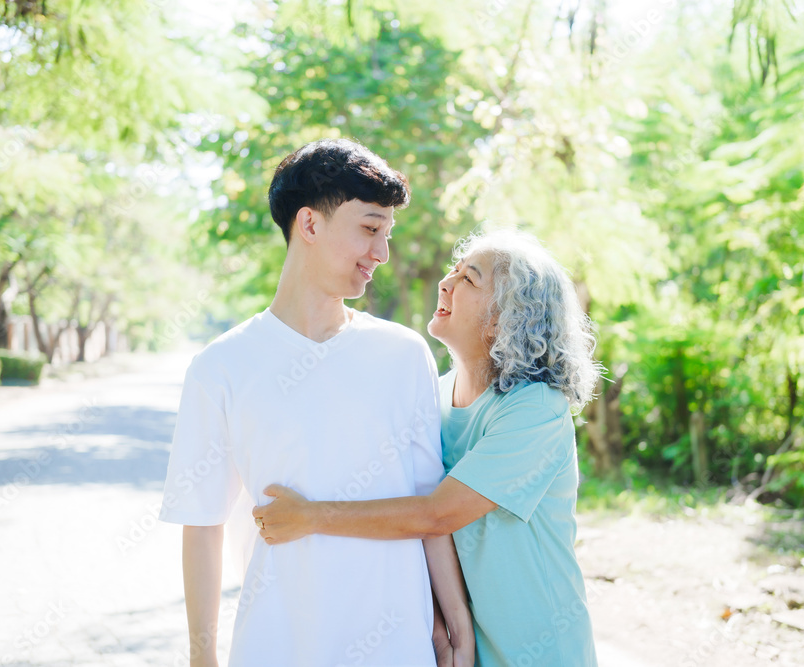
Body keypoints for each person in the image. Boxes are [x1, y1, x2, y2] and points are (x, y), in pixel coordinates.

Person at [158, 138, 473, 667]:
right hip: (276, 646)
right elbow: (202, 523)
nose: (382, 253)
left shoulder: (403, 354)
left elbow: (428, 509)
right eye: (370, 229)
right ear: (309, 223)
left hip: (397, 648)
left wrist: (455, 629)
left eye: (387, 234)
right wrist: (201, 658)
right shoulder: (222, 366)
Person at [255, 230, 601, 666]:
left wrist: (310, 517)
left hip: (543, 652)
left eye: (468, 279)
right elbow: (418, 529)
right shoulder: (433, 397)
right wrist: (441, 630)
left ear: (504, 318)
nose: (445, 283)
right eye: (453, 271)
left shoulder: (535, 409)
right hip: (465, 653)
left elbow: (437, 515)